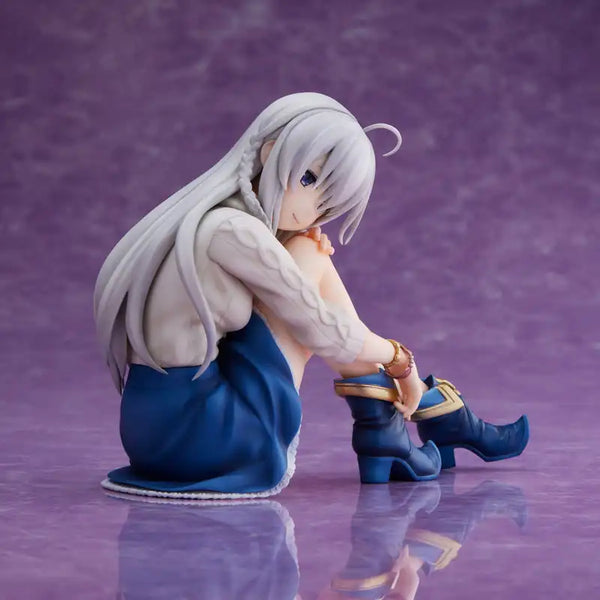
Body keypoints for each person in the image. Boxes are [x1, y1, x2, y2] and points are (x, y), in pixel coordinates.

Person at [94, 92, 528, 500]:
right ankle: (417, 416)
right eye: (308, 178)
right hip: (200, 437)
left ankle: (395, 424)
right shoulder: (233, 231)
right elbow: (324, 332)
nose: (308, 211)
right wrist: (401, 361)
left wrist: (293, 246)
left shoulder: (209, 220)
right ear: (270, 152)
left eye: (326, 206)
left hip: (149, 432)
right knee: (312, 273)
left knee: (306, 253)